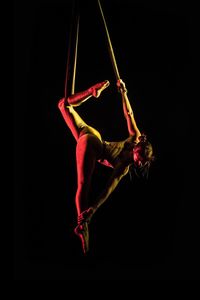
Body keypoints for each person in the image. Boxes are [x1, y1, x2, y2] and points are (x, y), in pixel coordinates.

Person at [58, 79, 154, 254]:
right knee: (83, 185)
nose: (139, 163)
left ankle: (90, 92)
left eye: (142, 163)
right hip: (92, 146)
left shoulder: (136, 138)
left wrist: (123, 93)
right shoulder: (123, 166)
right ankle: (83, 226)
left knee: (63, 105)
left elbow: (129, 115)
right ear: (137, 150)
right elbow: (107, 191)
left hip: (92, 134)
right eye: (139, 159)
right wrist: (91, 211)